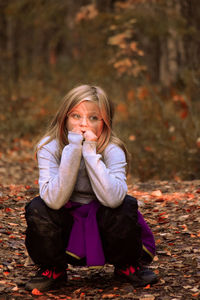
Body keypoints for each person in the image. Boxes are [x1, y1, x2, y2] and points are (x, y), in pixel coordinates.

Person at [25, 84, 157, 292]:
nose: (84, 124)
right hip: (65, 219)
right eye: (76, 116)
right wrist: (74, 148)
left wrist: (89, 151)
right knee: (37, 208)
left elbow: (113, 199)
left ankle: (126, 265)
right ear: (64, 118)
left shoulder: (113, 149)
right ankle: (53, 269)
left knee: (125, 205)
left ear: (105, 123)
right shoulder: (49, 147)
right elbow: (53, 200)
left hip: (103, 221)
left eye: (94, 118)